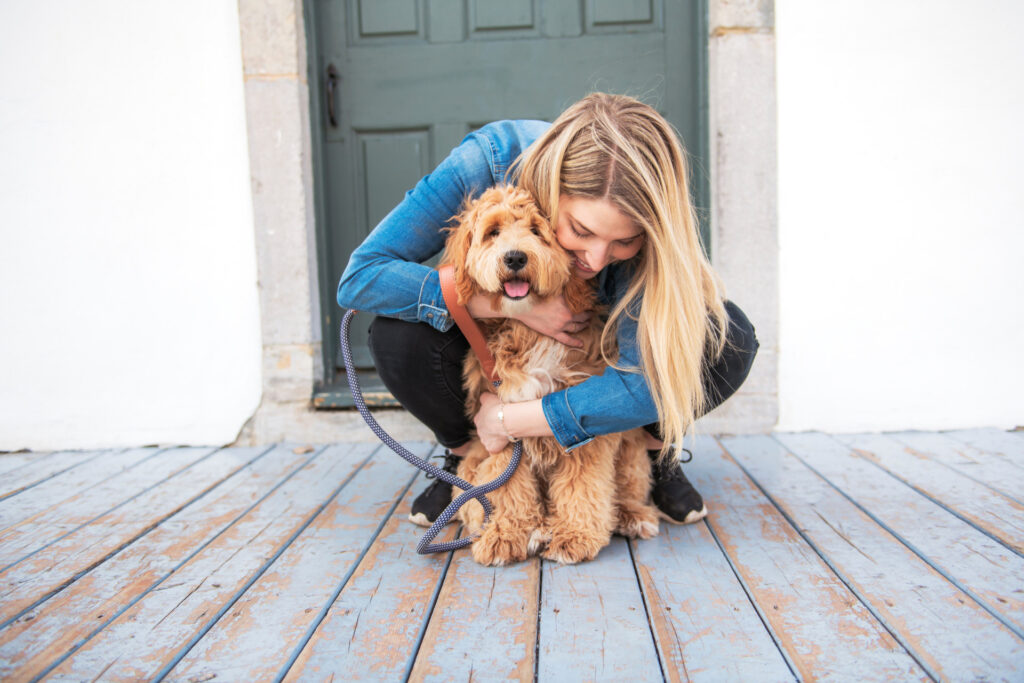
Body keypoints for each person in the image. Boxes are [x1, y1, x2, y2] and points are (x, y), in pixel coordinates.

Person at [337, 93, 759, 528]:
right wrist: (511, 307)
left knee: (726, 338)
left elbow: (641, 385)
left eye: (623, 242)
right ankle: (470, 456)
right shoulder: (485, 162)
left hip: (592, 359)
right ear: (553, 188)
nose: (596, 259)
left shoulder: (646, 241)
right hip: (501, 348)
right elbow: (362, 278)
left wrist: (508, 419)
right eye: (581, 230)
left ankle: (653, 452)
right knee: (396, 337)